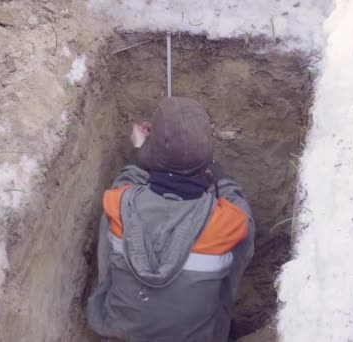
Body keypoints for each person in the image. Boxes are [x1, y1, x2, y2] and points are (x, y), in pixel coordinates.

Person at [87, 97, 255, 342]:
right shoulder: (231, 222)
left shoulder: (118, 204)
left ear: (152, 155)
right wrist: (215, 171)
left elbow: (125, 181)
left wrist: (138, 151)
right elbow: (237, 204)